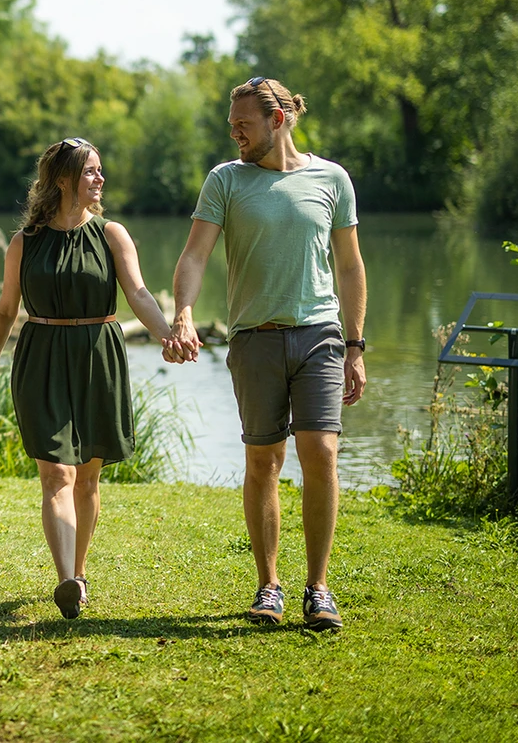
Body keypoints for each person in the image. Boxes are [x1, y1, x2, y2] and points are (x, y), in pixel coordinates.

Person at [165, 77, 366, 631]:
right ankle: (269, 585)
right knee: (263, 460)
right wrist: (183, 312)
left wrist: (355, 345)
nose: (234, 134)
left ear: (277, 121)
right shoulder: (225, 181)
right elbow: (194, 256)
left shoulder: (332, 179)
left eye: (243, 125)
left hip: (320, 334)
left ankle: (319, 588)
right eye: (231, 125)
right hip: (253, 337)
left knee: (321, 452)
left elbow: (349, 266)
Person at [0, 138, 177, 619]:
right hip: (41, 359)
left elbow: (140, 294)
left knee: (87, 478)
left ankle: (79, 573)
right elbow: (6, 311)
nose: (100, 179)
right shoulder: (25, 242)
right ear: (63, 179)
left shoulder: (112, 234)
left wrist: (170, 334)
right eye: (90, 171)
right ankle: (65, 578)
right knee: (56, 473)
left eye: (100, 171)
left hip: (98, 358)